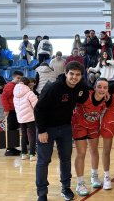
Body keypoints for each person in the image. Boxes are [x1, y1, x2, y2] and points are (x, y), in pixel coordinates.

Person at [34, 61, 89, 201]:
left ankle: (66, 188)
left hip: (65, 128)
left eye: (77, 75)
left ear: (81, 76)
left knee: (65, 159)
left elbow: (84, 97)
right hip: (47, 128)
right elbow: (38, 109)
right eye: (71, 74)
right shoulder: (54, 88)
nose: (74, 77)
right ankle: (42, 193)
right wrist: (41, 131)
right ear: (65, 73)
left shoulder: (81, 86)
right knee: (43, 161)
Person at [72, 78, 109, 196]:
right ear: (94, 87)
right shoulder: (85, 95)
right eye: (99, 86)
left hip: (93, 126)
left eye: (105, 87)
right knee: (81, 153)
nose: (102, 89)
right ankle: (80, 183)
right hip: (79, 126)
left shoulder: (107, 99)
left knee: (94, 150)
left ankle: (94, 176)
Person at [13, 77, 38, 161]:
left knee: (23, 135)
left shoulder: (15, 93)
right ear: (27, 84)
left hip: (20, 117)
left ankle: (24, 153)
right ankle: (32, 154)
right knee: (32, 135)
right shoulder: (30, 93)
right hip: (30, 117)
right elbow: (36, 106)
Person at [0, 70, 23, 156]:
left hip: (16, 110)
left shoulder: (17, 85)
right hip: (11, 111)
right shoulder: (10, 86)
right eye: (18, 78)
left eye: (21, 78)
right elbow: (3, 98)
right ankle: (9, 148)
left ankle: (12, 147)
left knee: (14, 129)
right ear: (13, 77)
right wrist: (6, 109)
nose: (19, 80)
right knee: (12, 129)